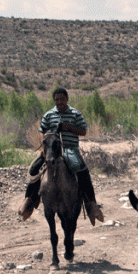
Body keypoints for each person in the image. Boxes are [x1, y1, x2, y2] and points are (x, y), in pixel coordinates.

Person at [19, 88, 104, 223]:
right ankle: (28, 201)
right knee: (34, 169)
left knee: (83, 171)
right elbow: (42, 130)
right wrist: (44, 145)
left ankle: (91, 204)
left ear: (67, 99)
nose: (59, 102)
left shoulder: (75, 114)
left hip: (70, 149)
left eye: (62, 99)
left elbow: (83, 131)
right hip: (51, 150)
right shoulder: (49, 115)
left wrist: (68, 127)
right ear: (54, 100)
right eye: (57, 99)